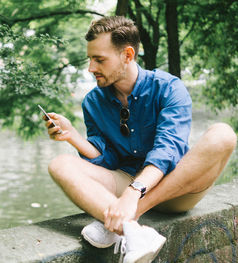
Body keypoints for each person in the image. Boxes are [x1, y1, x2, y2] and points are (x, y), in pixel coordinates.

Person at [43, 16, 237, 262]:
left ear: (127, 54)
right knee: (59, 164)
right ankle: (134, 232)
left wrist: (131, 199)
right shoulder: (92, 102)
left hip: (174, 187)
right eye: (90, 59)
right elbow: (109, 160)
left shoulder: (169, 88)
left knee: (223, 134)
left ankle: (128, 218)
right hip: (126, 179)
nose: (91, 68)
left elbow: (168, 151)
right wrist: (72, 137)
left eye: (99, 59)